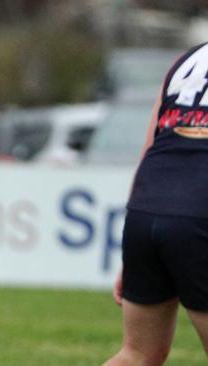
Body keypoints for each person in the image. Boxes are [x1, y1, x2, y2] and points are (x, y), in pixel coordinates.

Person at [104, 43, 208, 365]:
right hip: (200, 214)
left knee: (137, 355)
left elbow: (149, 149)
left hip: (147, 210)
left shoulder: (189, 59)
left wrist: (138, 253)